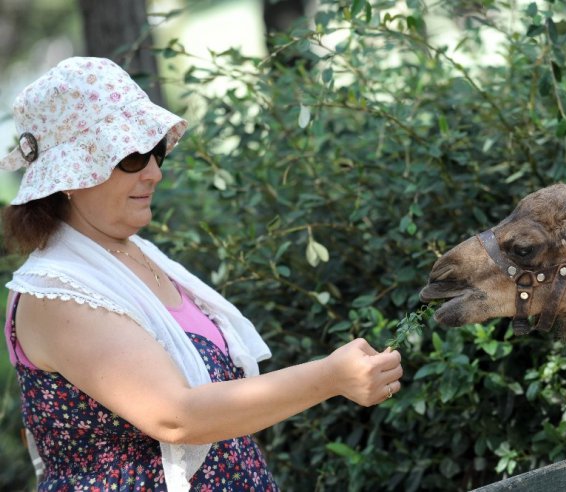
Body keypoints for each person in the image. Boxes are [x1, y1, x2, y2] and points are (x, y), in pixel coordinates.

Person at [1, 57, 403, 491]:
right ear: (71, 176)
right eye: (132, 157)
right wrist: (329, 377)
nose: (155, 172)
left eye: (154, 150)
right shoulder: (56, 292)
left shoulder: (138, 256)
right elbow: (175, 415)